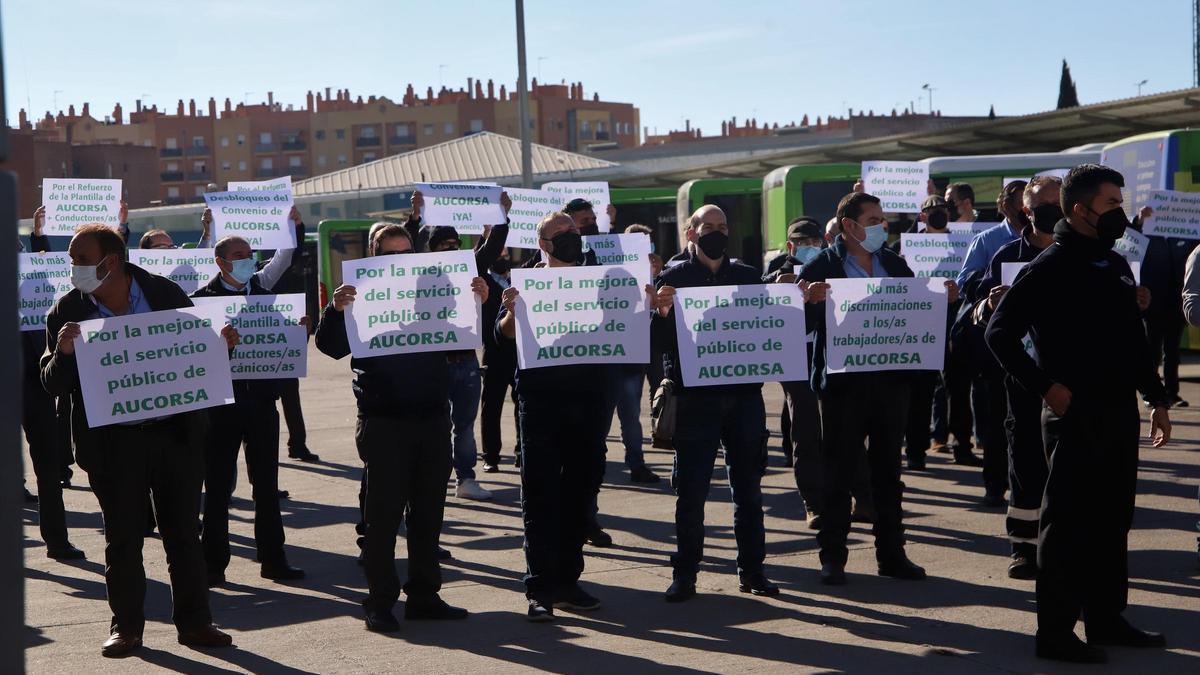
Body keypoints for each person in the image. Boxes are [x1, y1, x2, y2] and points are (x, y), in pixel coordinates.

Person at [986, 164, 1172, 664]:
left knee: (1112, 520)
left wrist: (1156, 399)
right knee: (1067, 526)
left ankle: (1106, 619)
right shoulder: (1049, 267)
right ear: (1080, 209)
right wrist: (1046, 388)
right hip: (1072, 414)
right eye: (1112, 203)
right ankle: (1055, 634)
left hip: (1117, 412)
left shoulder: (1113, 264)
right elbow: (999, 334)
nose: (1121, 212)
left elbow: (1133, 343)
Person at [41, 224, 236, 657]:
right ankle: (126, 628)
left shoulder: (164, 294)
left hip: (174, 437)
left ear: (110, 262)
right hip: (114, 445)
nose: (73, 268)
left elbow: (199, 358)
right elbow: (52, 384)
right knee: (123, 539)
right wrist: (64, 353)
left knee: (183, 534)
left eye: (80, 260)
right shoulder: (67, 311)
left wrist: (223, 347)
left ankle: (197, 623)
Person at [316, 223, 482, 632]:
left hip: (431, 419)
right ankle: (380, 601)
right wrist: (335, 310)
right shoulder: (356, 297)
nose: (399, 262)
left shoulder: (433, 290)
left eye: (405, 253)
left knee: (428, 515)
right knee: (382, 519)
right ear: (374, 257)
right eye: (389, 255)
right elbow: (330, 346)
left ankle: (424, 595)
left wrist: (477, 300)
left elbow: (465, 337)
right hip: (383, 422)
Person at [799, 192, 959, 585]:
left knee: (888, 473)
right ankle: (832, 558)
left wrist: (944, 299)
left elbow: (916, 311)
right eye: (873, 220)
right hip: (842, 388)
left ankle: (892, 555)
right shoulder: (824, 264)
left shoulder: (893, 263)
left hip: (889, 386)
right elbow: (797, 319)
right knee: (838, 474)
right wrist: (807, 299)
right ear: (850, 226)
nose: (881, 226)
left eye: (882, 219)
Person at [496, 212, 648, 620]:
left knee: (581, 493)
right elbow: (504, 334)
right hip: (541, 401)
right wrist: (512, 311)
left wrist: (648, 298)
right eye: (561, 234)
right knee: (541, 495)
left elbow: (629, 322)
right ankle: (540, 588)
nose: (571, 237)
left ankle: (568, 581)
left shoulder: (603, 277)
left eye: (574, 232)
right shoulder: (524, 280)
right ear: (543, 243)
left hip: (591, 399)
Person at [651, 205, 777, 602]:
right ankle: (685, 575)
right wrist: (662, 311)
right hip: (694, 400)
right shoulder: (671, 278)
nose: (716, 233)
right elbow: (657, 344)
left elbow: (767, 328)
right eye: (708, 227)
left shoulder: (747, 277)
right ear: (691, 234)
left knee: (749, 491)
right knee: (691, 493)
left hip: (743, 398)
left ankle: (753, 571)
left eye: (723, 227)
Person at [192, 209, 306, 587]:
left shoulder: (262, 290)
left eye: (249, 255)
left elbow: (285, 256)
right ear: (220, 262)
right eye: (239, 257)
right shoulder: (200, 301)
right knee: (219, 488)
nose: (247, 262)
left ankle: (274, 560)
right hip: (220, 409)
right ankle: (212, 565)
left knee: (267, 486)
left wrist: (296, 333)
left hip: (260, 403)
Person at [972, 177, 1060, 577]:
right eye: (1046, 205)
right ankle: (1023, 547)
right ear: (1026, 211)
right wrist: (989, 305)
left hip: (1072, 377)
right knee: (1024, 460)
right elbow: (981, 319)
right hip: (1023, 378)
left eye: (1061, 203)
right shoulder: (1008, 254)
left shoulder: (1085, 253)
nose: (1056, 211)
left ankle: (1062, 541)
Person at [416, 191, 513, 500]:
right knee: (434, 425)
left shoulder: (470, 267)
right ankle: (432, 477)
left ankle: (466, 479)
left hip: (466, 361)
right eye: (445, 245)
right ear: (431, 249)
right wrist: (416, 216)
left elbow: (492, 246)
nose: (453, 250)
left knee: (465, 425)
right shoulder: (415, 274)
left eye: (456, 245)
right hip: (431, 362)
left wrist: (501, 215)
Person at [20, 210, 83, 561]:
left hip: (32, 375)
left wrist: (39, 234)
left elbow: (40, 267)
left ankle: (56, 540)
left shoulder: (27, 267)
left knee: (47, 461)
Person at [598, 223, 661, 484]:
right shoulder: (604, 275)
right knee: (601, 419)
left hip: (630, 362)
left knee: (630, 419)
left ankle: (636, 464)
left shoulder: (644, 278)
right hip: (603, 361)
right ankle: (597, 464)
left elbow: (649, 316)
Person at [900, 195, 955, 471]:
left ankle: (959, 440)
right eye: (933, 211)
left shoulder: (961, 244)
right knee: (921, 391)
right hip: (919, 325)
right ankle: (916, 449)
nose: (938, 215)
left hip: (952, 323)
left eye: (943, 210)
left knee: (954, 388)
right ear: (922, 216)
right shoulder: (907, 247)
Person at [480, 247, 520, 473]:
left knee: (521, 402)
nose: (502, 258)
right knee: (491, 406)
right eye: (498, 254)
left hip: (517, 352)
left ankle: (520, 452)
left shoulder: (518, 278)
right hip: (494, 352)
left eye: (506, 254)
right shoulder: (483, 279)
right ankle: (491, 456)